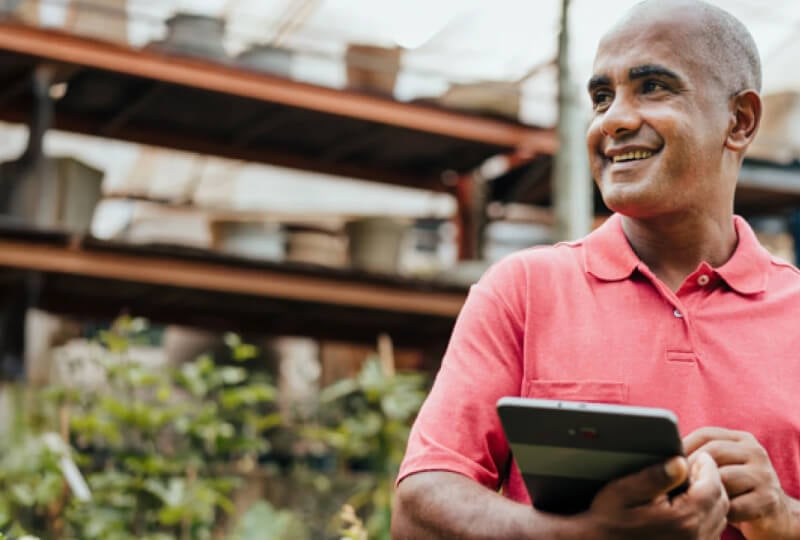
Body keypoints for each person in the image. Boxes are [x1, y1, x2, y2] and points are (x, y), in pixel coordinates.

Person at [392, 1, 800, 539]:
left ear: (740, 121)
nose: (614, 120)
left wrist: (782, 514)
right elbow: (418, 510)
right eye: (602, 97)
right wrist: (583, 534)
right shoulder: (524, 291)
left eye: (653, 87)